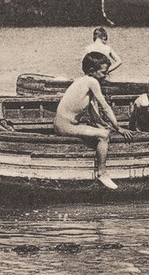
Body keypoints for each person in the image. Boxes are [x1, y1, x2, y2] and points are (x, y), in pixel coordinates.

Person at [53, 52, 134, 190]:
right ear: (92, 71)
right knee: (104, 136)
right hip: (65, 126)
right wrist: (118, 128)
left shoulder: (82, 81)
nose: (106, 76)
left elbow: (93, 112)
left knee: (103, 129)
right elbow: (106, 107)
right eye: (103, 72)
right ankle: (102, 173)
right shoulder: (92, 82)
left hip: (60, 123)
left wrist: (103, 124)